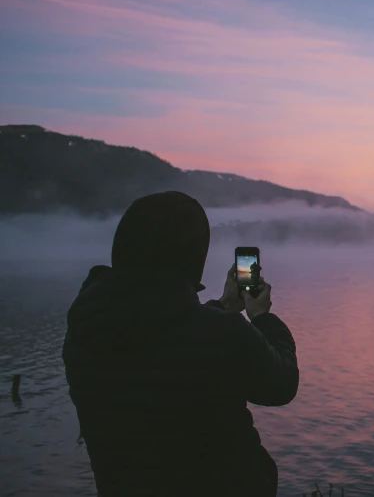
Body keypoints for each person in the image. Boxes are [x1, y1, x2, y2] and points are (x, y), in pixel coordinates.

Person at [63, 191, 298, 497]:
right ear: (193, 256)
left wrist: (224, 306)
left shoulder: (84, 330)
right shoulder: (224, 335)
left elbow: (165, 333)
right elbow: (281, 384)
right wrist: (261, 316)